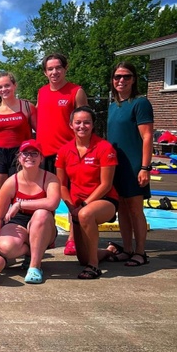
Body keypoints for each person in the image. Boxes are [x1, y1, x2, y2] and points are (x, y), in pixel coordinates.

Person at [55, 106, 119, 279]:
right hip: (77, 207)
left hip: (104, 200)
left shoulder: (104, 148)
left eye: (86, 122)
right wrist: (71, 208)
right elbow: (61, 185)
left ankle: (94, 266)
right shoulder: (64, 151)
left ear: (92, 125)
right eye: (78, 122)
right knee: (82, 258)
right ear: (70, 125)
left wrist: (83, 205)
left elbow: (106, 185)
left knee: (85, 214)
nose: (82, 126)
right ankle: (109, 251)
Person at [36, 53, 88, 256]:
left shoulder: (76, 92)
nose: (54, 72)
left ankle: (73, 238)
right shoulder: (41, 92)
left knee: (71, 198)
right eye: (50, 69)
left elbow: (85, 123)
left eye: (58, 67)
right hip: (44, 154)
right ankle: (49, 236)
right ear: (45, 72)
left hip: (67, 155)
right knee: (45, 198)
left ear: (65, 69)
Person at [105, 62, 154, 267]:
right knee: (122, 210)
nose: (121, 80)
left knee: (135, 210)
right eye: (117, 77)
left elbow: (147, 136)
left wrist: (145, 167)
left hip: (134, 165)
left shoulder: (140, 103)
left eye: (126, 76)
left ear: (134, 79)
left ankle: (140, 252)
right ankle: (127, 249)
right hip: (117, 167)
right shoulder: (113, 106)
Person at [0, 140, 59, 284]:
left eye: (34, 153)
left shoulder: (50, 178)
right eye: (25, 153)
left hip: (44, 225)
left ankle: (35, 266)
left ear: (41, 158)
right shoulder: (11, 182)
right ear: (19, 157)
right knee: (6, 247)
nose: (29, 157)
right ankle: (32, 251)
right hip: (19, 223)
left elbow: (52, 203)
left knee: (41, 213)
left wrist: (20, 204)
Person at [0, 72, 36, 197]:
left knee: (21, 197)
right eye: (0, 87)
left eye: (7, 86)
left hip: (21, 155)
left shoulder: (27, 106)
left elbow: (41, 131)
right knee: (1, 198)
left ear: (14, 86)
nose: (3, 90)